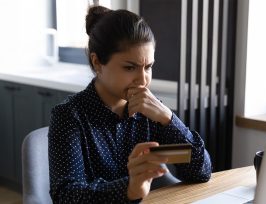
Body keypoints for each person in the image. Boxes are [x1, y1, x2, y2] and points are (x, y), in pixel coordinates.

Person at [48, 5, 212, 203]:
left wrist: (169, 118)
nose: (142, 80)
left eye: (148, 67)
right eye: (129, 67)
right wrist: (130, 189)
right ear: (97, 63)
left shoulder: (151, 113)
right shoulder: (69, 116)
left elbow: (201, 172)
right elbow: (66, 196)